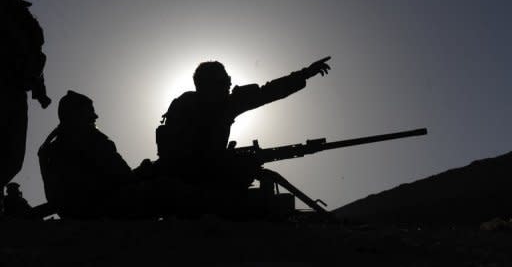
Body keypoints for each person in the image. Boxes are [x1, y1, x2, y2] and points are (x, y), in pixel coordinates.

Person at [156, 57, 331, 215]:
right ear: (206, 85)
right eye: (224, 81)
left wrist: (305, 74)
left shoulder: (226, 105)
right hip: (181, 177)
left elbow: (268, 92)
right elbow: (178, 154)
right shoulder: (185, 107)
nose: (229, 85)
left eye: (228, 80)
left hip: (204, 175)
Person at [38, 91, 183, 219]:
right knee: (168, 189)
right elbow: (122, 176)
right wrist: (146, 170)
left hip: (76, 209)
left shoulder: (51, 145)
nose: (95, 116)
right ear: (78, 114)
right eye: (90, 111)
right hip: (99, 208)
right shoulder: (88, 137)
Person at [0, 0, 51, 213]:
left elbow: (32, 54)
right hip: (4, 86)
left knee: (12, 157)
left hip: (16, 89)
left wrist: (39, 89)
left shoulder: (22, 15)